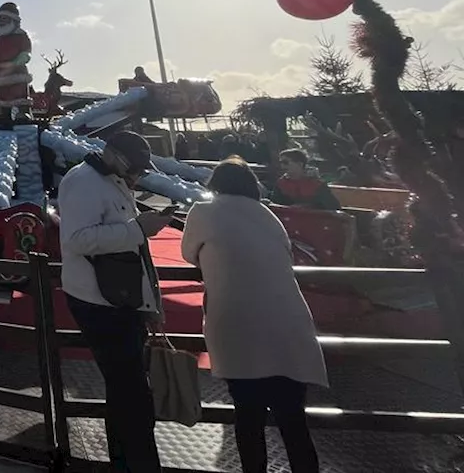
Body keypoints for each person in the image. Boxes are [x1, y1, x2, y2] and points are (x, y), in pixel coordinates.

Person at [182, 158, 326, 473]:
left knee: (249, 417)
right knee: (293, 421)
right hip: (288, 326)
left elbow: (187, 253)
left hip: (239, 327)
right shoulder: (268, 215)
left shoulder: (203, 212)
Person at [58, 130, 168, 473]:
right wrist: (140, 229)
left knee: (125, 393)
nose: (136, 176)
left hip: (119, 299)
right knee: (133, 395)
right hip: (99, 301)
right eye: (134, 168)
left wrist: (149, 303)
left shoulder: (110, 180)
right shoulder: (84, 182)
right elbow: (77, 239)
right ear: (115, 157)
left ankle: (126, 463)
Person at [271, 148, 341, 211]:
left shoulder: (316, 184)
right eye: (281, 163)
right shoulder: (281, 184)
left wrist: (307, 207)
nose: (282, 166)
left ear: (299, 164)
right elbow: (274, 205)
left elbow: (333, 207)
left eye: (285, 162)